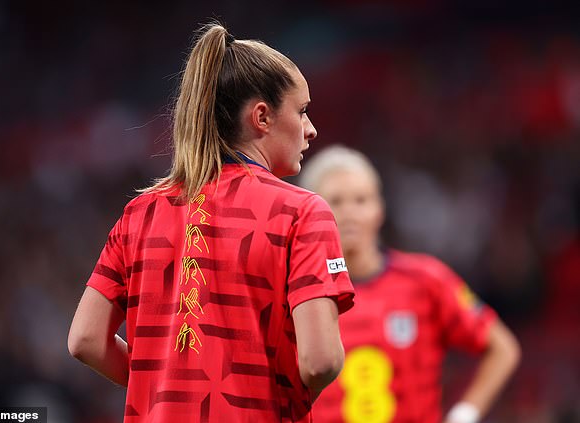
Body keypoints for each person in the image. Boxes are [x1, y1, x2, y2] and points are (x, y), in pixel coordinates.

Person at [67, 23, 355, 423]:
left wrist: (166, 387)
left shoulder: (140, 213)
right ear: (262, 117)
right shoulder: (302, 211)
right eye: (302, 111)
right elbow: (319, 361)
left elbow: (85, 340)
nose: (311, 129)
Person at [298, 145, 521, 423]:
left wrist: (464, 414)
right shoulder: (296, 295)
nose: (349, 213)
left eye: (361, 200)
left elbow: (502, 348)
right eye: (335, 201)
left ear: (380, 210)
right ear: (309, 214)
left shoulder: (425, 281)